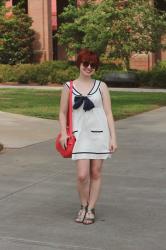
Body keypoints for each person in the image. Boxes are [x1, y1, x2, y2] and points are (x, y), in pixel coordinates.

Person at [59, 48, 117, 225]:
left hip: (99, 135)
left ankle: (90, 209)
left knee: (96, 172)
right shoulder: (68, 87)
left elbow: (108, 113)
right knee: (82, 175)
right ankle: (83, 205)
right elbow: (62, 113)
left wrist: (113, 137)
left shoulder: (102, 86)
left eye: (93, 64)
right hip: (79, 136)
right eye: (86, 63)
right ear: (79, 64)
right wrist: (64, 132)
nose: (89, 67)